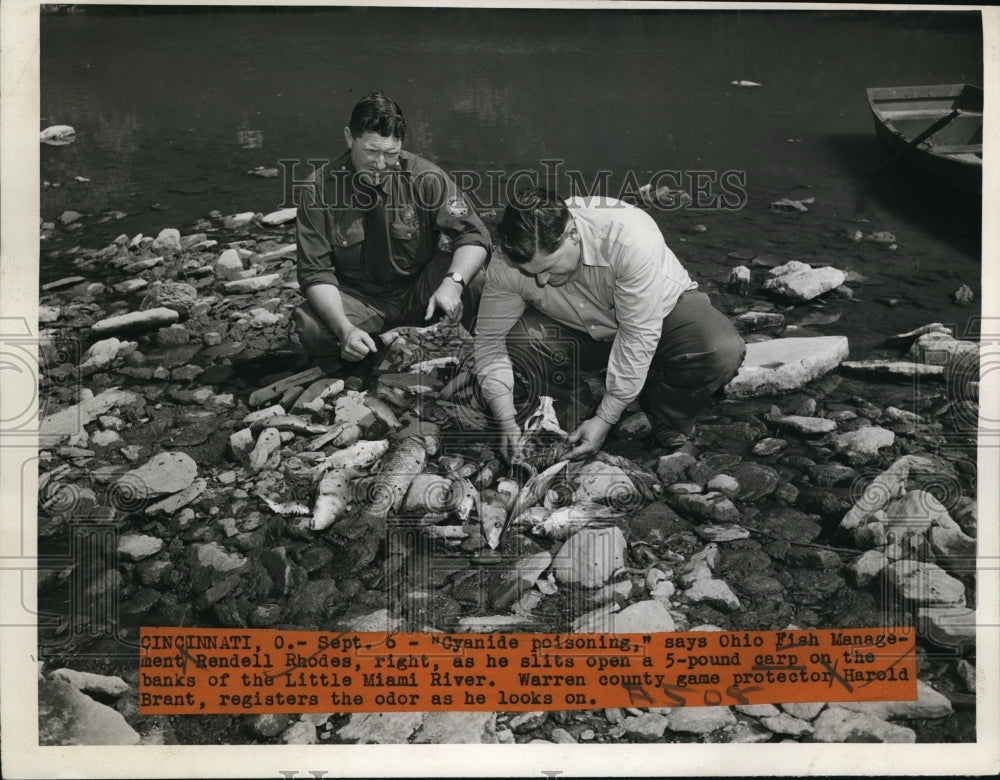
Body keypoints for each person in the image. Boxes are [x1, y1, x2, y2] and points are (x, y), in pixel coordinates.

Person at [473, 187, 746, 462]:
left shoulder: (629, 239)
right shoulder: (507, 261)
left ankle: (664, 410)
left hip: (660, 315)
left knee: (719, 349)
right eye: (531, 273)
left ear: (572, 234)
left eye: (549, 267)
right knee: (520, 339)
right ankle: (568, 413)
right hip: (579, 329)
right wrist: (505, 418)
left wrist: (606, 418)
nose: (541, 281)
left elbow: (637, 335)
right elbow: (489, 342)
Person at [293, 92, 491, 369]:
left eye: (391, 154)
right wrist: (344, 330)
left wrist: (452, 284)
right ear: (350, 138)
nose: (381, 164)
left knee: (475, 280)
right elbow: (316, 274)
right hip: (362, 299)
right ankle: (363, 345)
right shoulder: (317, 189)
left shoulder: (426, 177)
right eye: (371, 152)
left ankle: (462, 347)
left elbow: (473, 236)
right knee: (312, 327)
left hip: (420, 291)